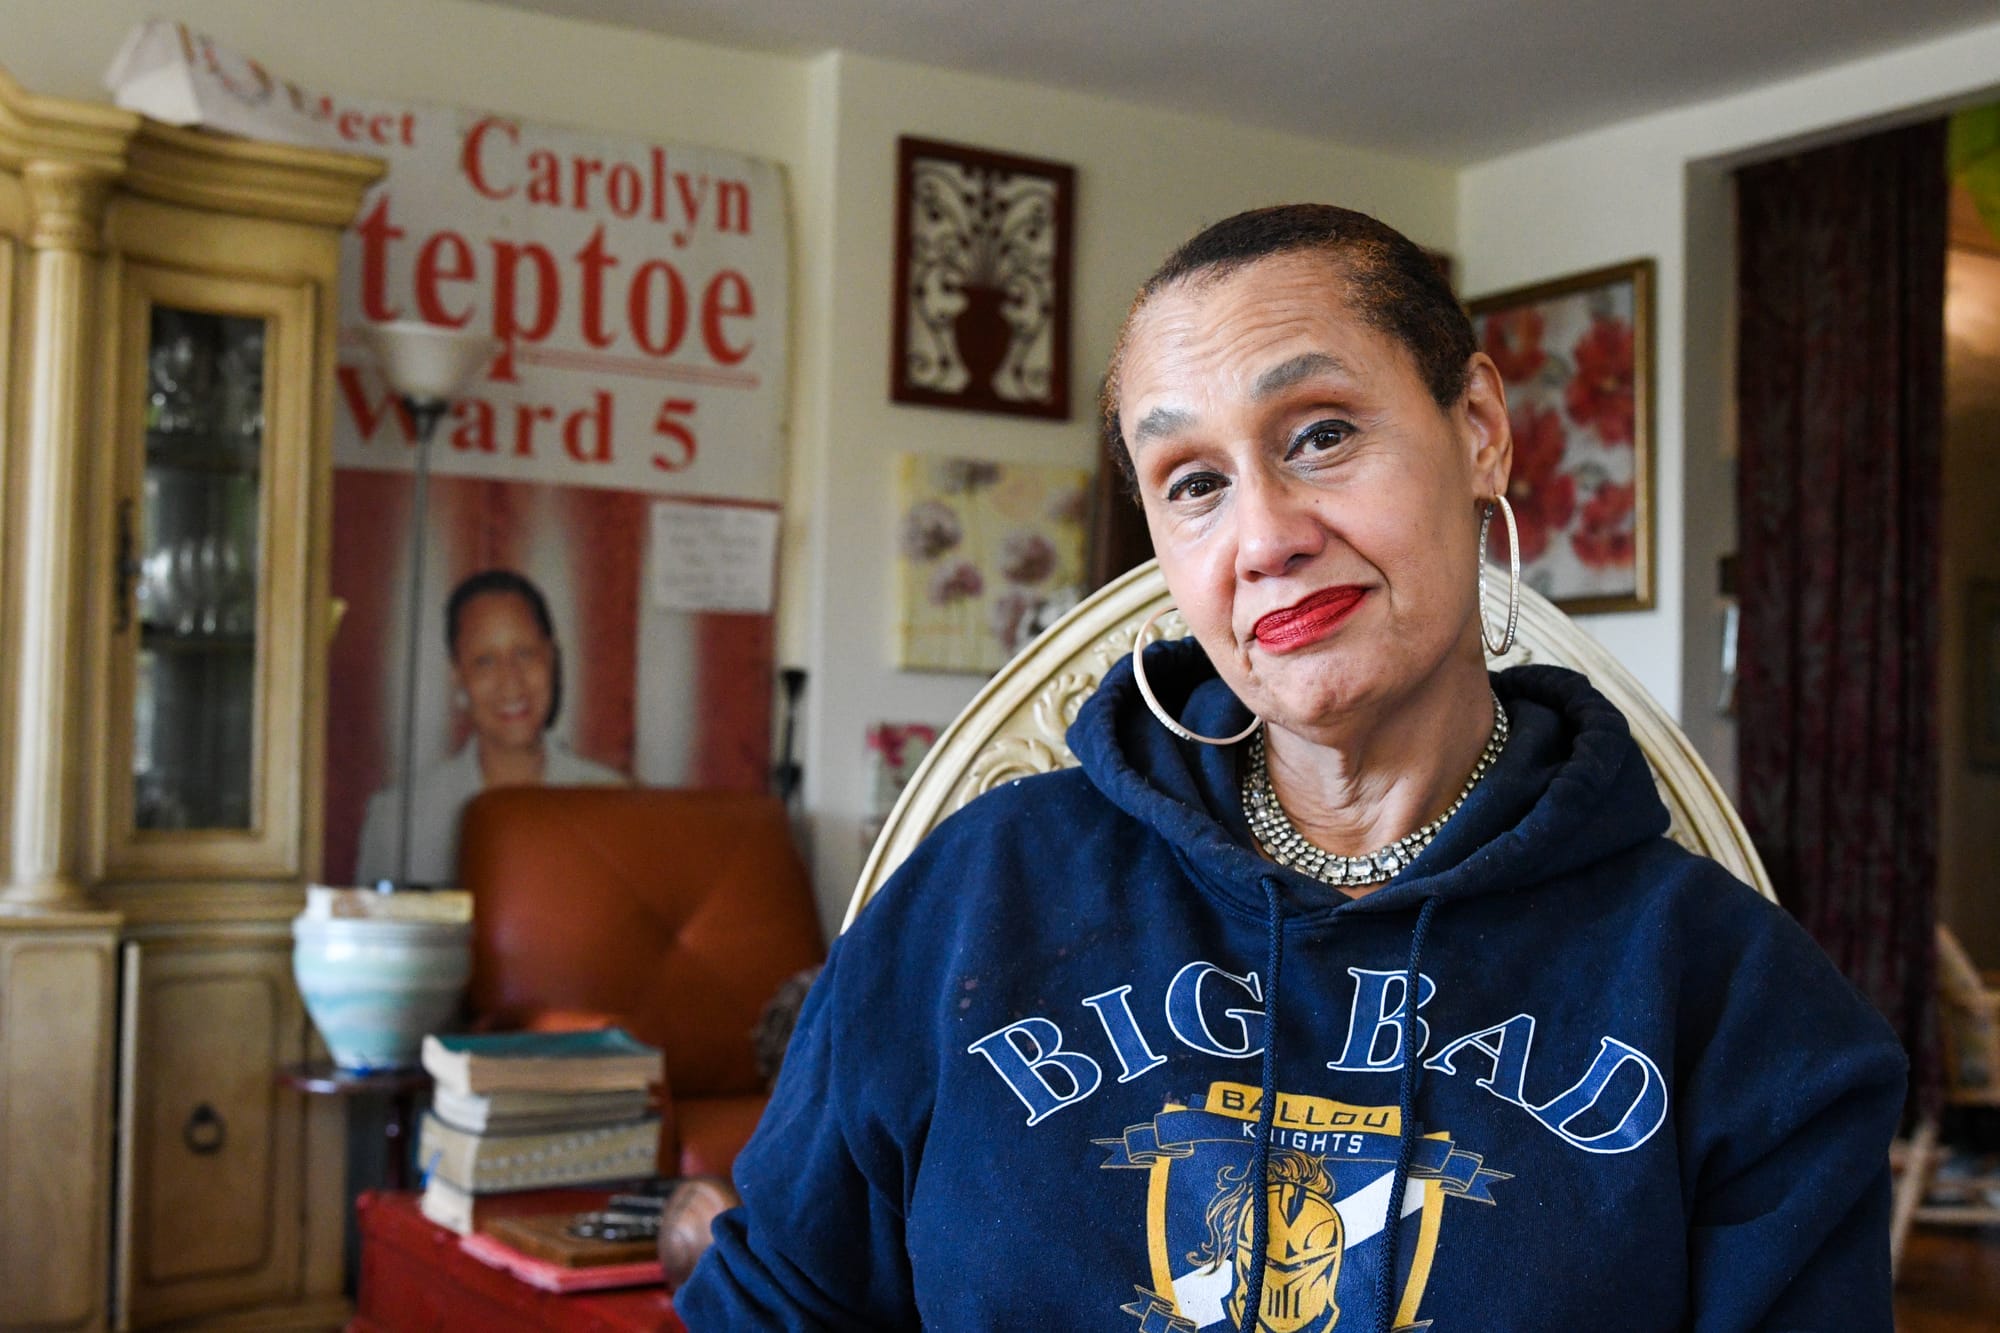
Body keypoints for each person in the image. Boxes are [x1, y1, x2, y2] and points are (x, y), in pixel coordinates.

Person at [677, 206, 1906, 1331]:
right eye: (1194, 482)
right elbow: (773, 1304)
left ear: (1477, 429)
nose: (1263, 536)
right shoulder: (975, 900)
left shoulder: (1738, 1005)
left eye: (1319, 435)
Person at [354, 568, 624, 886]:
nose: (511, 682)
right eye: (485, 661)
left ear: (551, 659)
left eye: (525, 654)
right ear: (458, 676)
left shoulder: (614, 804)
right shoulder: (398, 822)